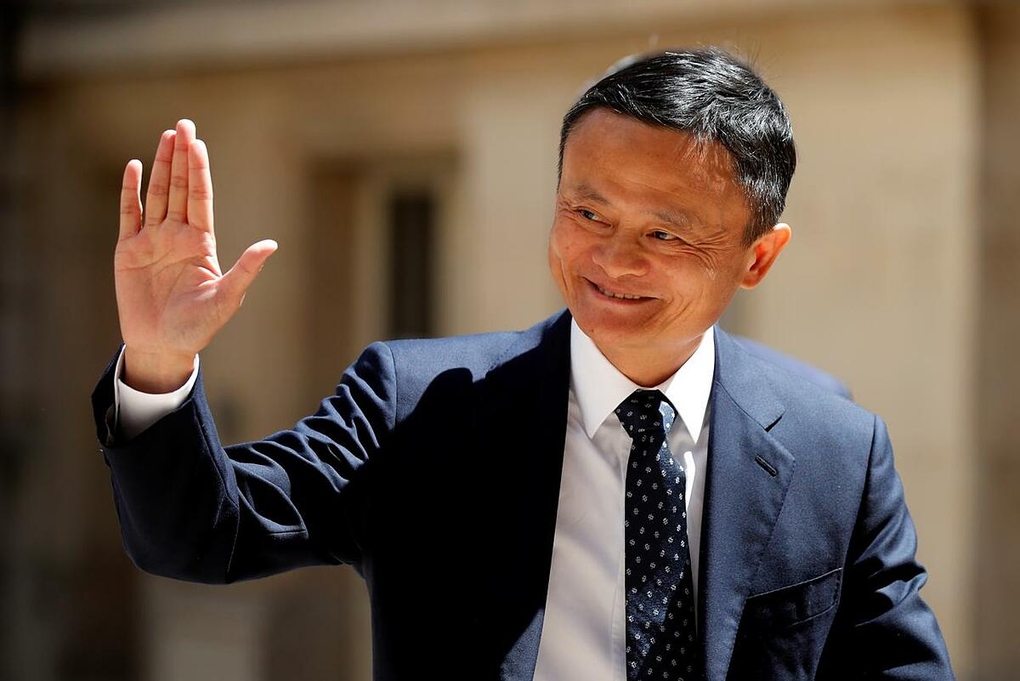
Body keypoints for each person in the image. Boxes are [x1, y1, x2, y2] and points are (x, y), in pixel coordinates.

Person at [92, 47, 954, 680]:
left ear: (757, 257)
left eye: (664, 233)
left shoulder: (835, 446)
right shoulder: (417, 406)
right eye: (587, 212)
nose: (612, 260)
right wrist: (159, 363)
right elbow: (203, 536)